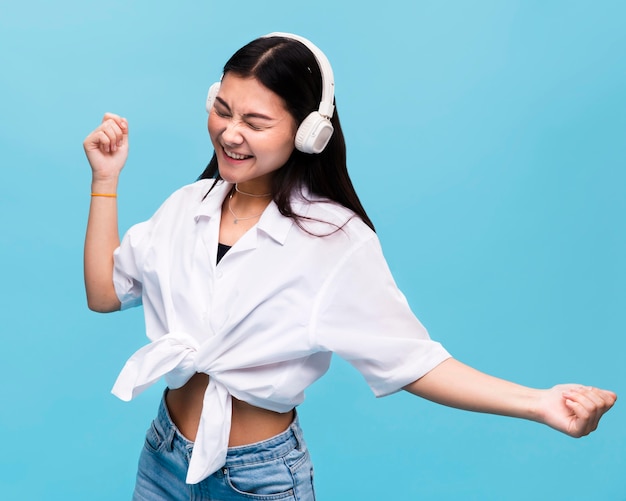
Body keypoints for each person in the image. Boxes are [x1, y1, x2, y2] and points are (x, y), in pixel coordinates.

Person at [83, 32, 616, 500]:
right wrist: (105, 181)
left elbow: (413, 361)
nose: (229, 133)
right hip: (163, 456)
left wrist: (538, 403)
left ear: (309, 131)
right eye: (222, 109)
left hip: (258, 479)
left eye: (255, 121)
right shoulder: (187, 205)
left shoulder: (333, 239)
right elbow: (105, 293)